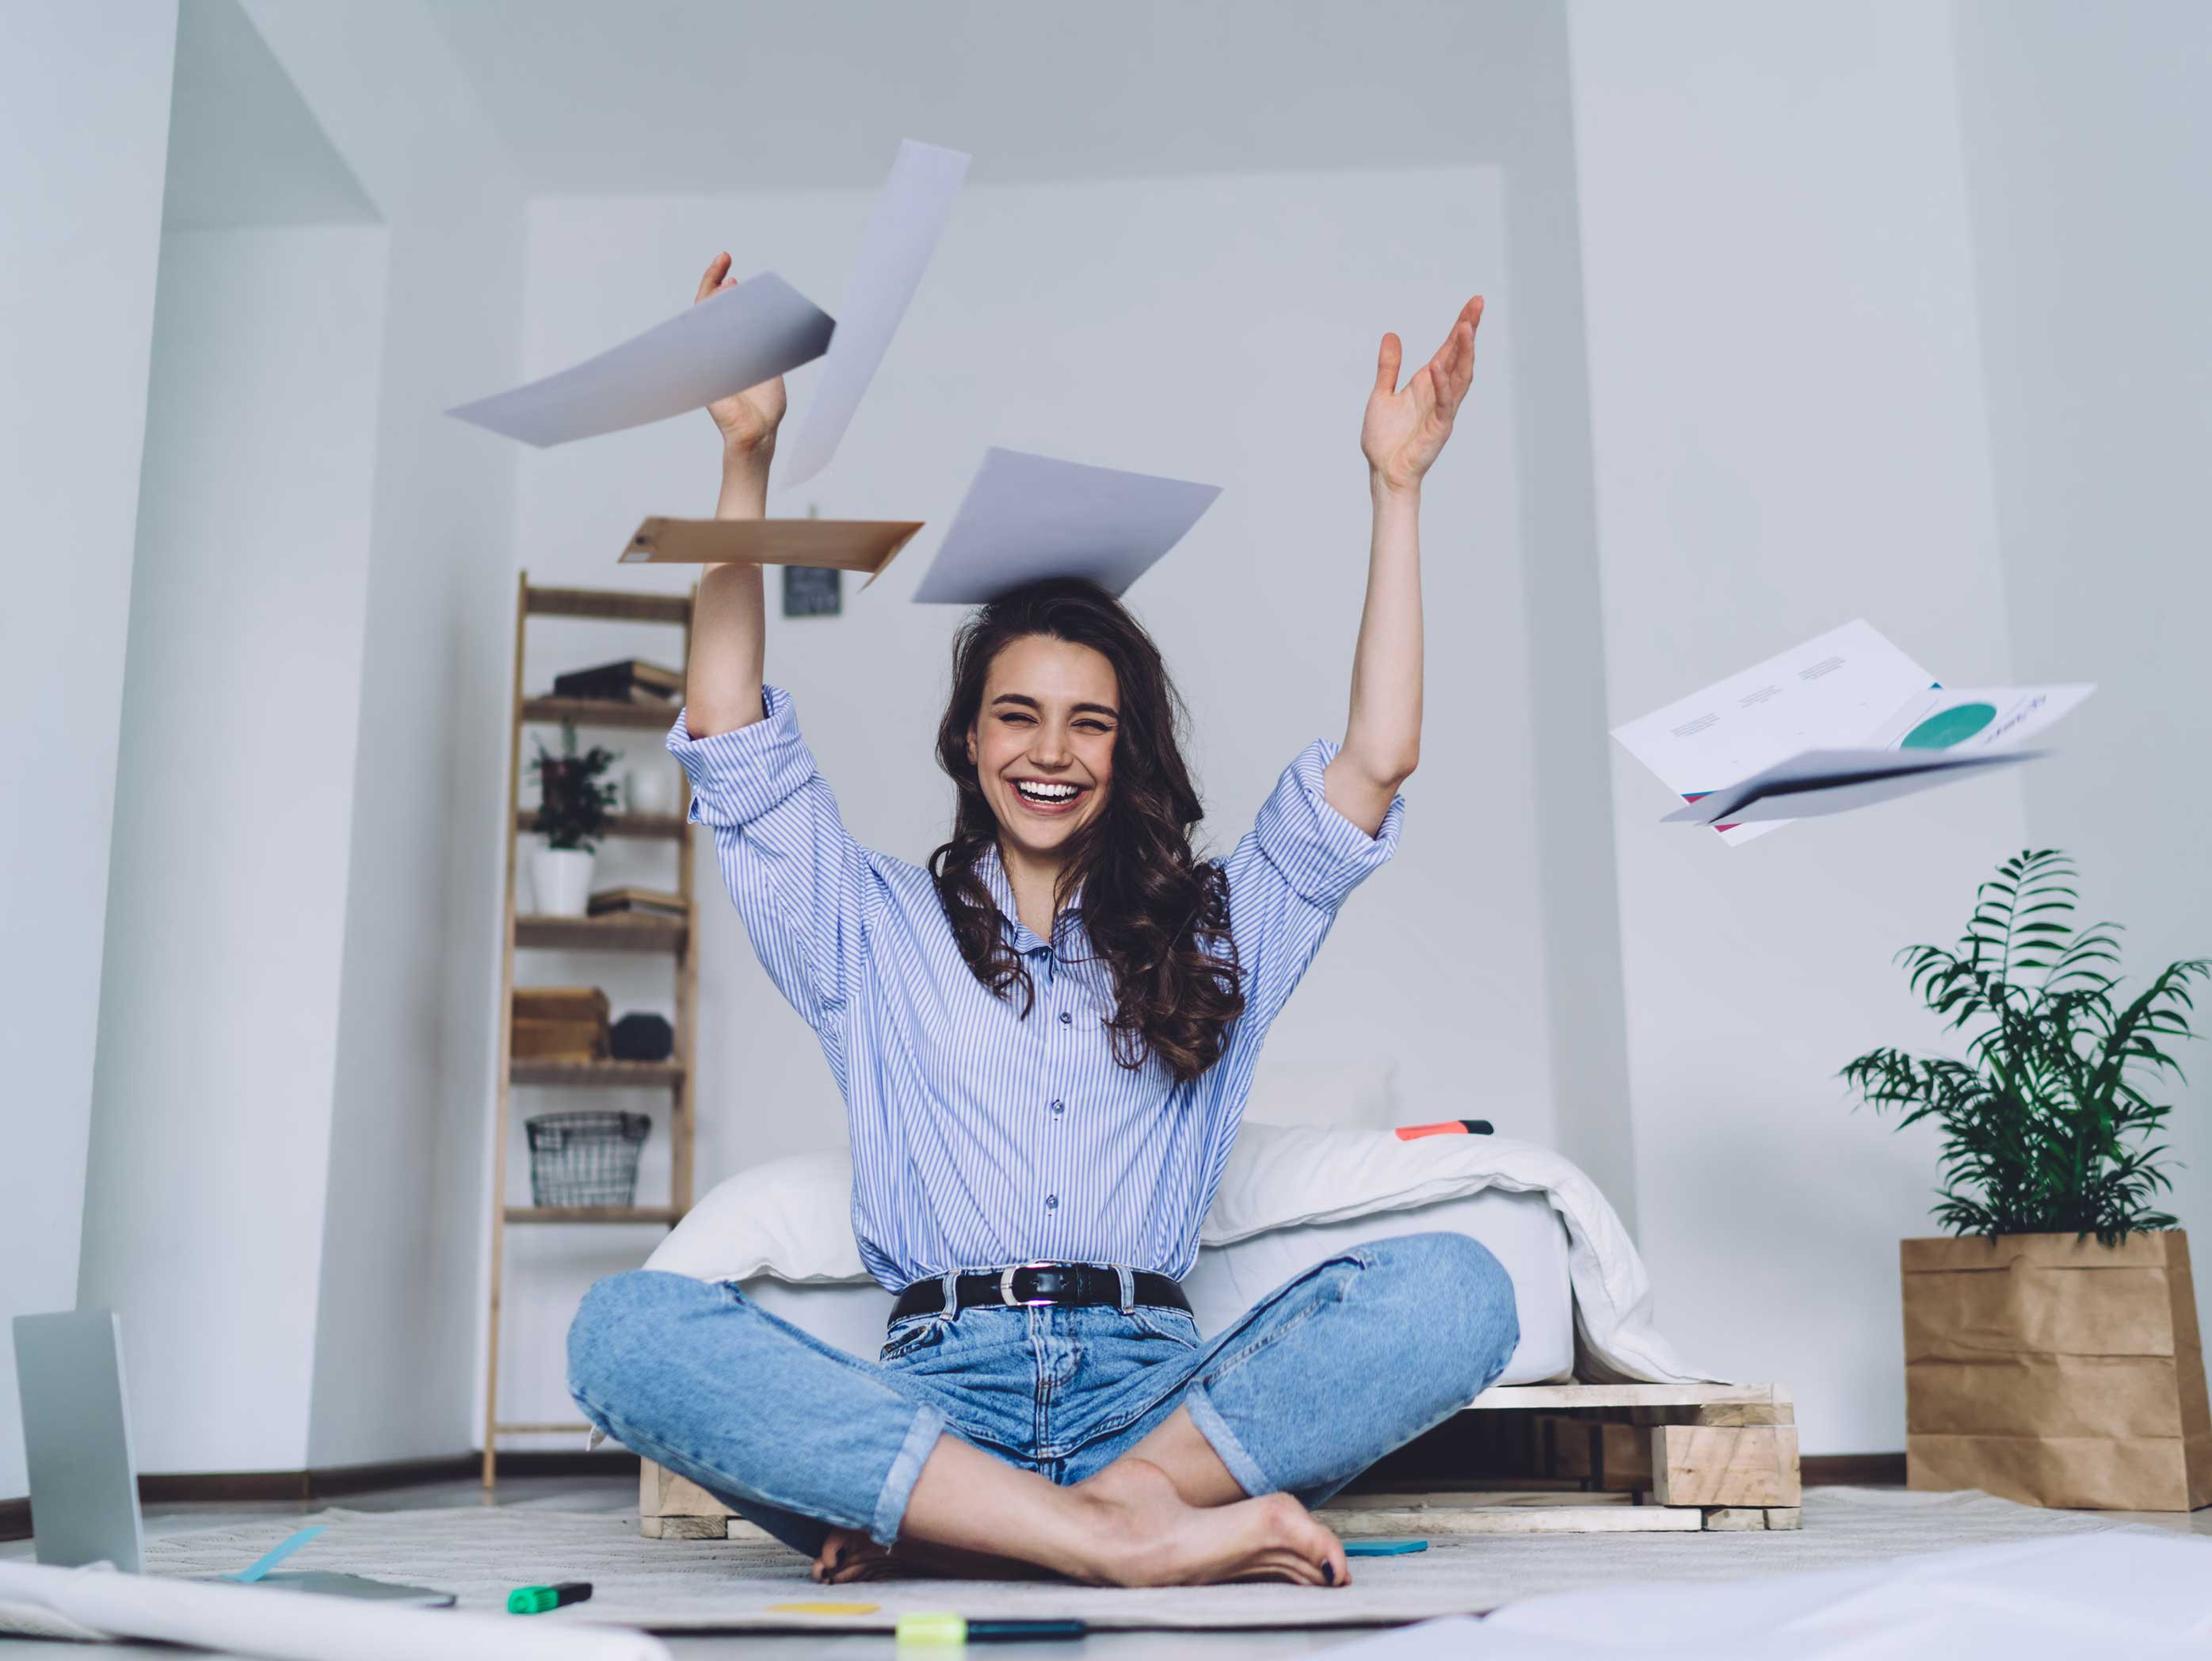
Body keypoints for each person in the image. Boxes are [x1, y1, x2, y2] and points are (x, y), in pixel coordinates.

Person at [567, 254, 1514, 1589]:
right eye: (1018, 714)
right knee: (622, 1332)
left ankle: (1075, 1513)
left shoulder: (1216, 930)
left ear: (1126, 755)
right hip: (932, 1403)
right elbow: (728, 734)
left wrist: (1396, 489)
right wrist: (748, 458)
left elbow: (1376, 760)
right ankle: (1099, 1541)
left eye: (1090, 721)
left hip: (1157, 1408)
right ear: (967, 739)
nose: (1051, 750)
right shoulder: (870, 927)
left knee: (1461, 1290)